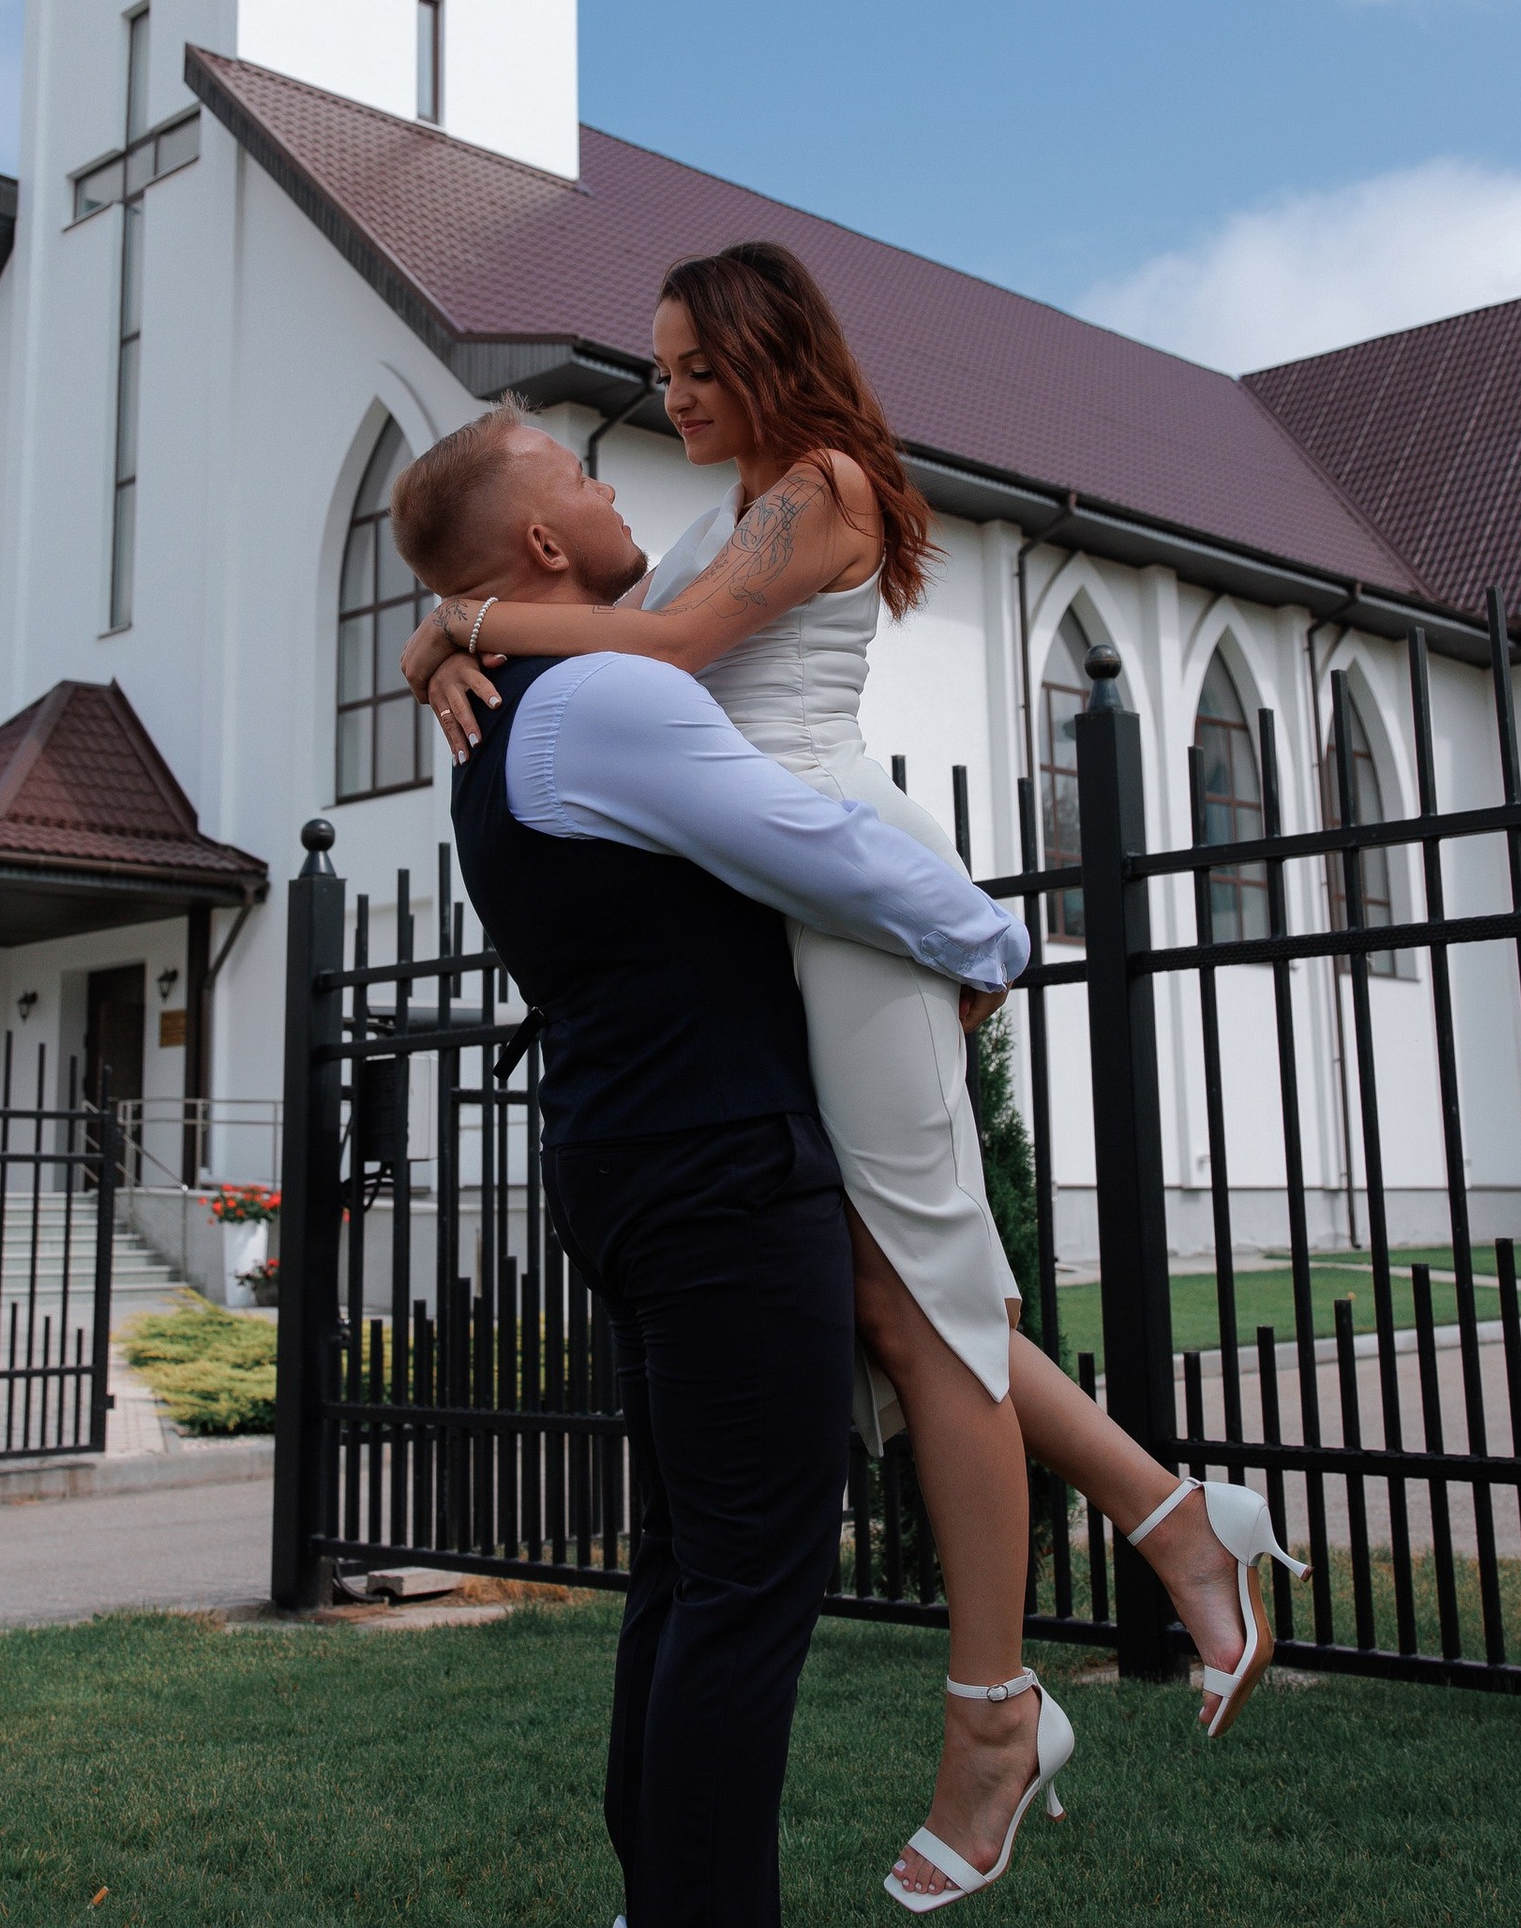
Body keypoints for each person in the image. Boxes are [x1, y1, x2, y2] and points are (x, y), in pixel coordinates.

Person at [403, 245, 1306, 1908]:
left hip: (851, 884)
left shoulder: (819, 484)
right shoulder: (729, 506)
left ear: (767, 356)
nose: (663, 399)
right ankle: (1174, 1527)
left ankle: (1000, 1708)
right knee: (898, 1294)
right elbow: (618, 633)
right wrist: (448, 637)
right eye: (654, 372)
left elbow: (660, 652)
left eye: (689, 368)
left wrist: (459, 623)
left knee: (926, 1302)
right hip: (798, 914)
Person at [386, 406, 1043, 1928]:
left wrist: (439, 634)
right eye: (585, 477)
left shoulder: (514, 707)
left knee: (690, 1574)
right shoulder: (601, 701)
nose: (620, 487)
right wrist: (990, 937)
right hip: (720, 1173)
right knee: (747, 1589)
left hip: (634, 1163)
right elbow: (804, 836)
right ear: (545, 541)